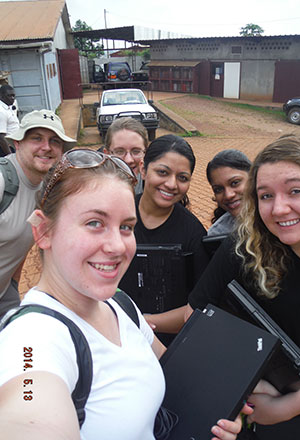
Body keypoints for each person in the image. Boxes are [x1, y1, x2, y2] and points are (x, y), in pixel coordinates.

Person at [0, 148, 251, 440]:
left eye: (126, 227)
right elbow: (28, 406)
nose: (118, 246)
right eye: (95, 223)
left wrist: (215, 410)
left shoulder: (120, 305)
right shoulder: (30, 341)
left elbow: (177, 377)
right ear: (43, 231)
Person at [186, 135, 300, 440]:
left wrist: (286, 407)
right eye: (265, 196)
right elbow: (196, 320)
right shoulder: (242, 248)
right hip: (259, 416)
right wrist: (242, 379)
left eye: (295, 191)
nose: (279, 209)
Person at [119, 134, 210, 344]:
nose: (171, 184)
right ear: (143, 169)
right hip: (113, 335)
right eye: (162, 172)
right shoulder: (118, 215)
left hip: (172, 345)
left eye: (182, 178)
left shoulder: (193, 233)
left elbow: (202, 306)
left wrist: (141, 323)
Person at [0, 109, 76, 318]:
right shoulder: (3, 180)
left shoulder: (47, 188)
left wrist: (13, 288)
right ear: (17, 144)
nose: (46, 147)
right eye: (36, 138)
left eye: (54, 141)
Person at [207, 149, 251, 236]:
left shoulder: (278, 216)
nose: (228, 195)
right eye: (218, 189)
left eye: (235, 183)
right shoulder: (217, 234)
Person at [104, 117, 148, 194]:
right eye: (120, 152)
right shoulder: (92, 189)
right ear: (106, 154)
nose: (128, 160)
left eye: (136, 151)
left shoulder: (154, 186)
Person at [0, 85, 19, 156]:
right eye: (9, 96)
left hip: (14, 145)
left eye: (13, 96)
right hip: (7, 148)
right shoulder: (1, 111)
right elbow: (1, 137)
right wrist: (10, 156)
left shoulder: (9, 106)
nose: (12, 98)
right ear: (1, 96)